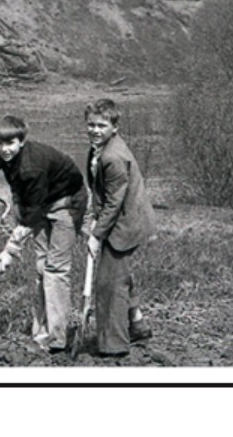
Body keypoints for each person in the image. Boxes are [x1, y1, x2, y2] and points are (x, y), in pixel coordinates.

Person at [0, 115, 87, 353]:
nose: (4, 149)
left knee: (56, 269)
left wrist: (10, 250)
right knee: (41, 266)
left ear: (22, 141)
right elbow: (19, 192)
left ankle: (56, 339)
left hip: (67, 203)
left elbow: (31, 212)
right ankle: (41, 332)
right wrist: (17, 213)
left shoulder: (31, 167)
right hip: (42, 201)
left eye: (10, 143)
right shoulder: (6, 159)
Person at [84, 98, 156, 357]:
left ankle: (114, 346)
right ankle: (137, 325)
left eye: (101, 125)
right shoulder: (98, 149)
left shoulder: (113, 156)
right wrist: (94, 215)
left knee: (109, 284)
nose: (95, 130)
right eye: (91, 124)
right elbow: (100, 192)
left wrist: (96, 234)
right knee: (119, 274)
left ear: (114, 127)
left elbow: (115, 202)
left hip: (126, 223)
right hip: (120, 217)